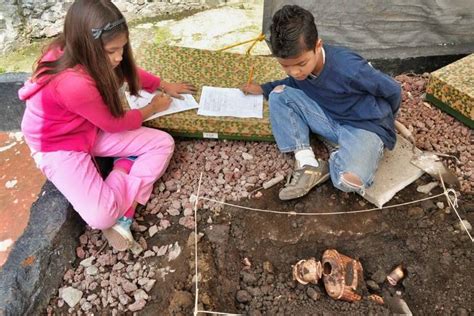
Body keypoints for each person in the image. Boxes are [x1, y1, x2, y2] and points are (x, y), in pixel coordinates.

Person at [18, 0, 196, 251]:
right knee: (101, 217)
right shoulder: (73, 84)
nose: (119, 56)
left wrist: (163, 84)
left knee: (162, 143)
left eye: (122, 47)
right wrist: (153, 108)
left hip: (86, 128)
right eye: (112, 51)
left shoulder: (74, 48)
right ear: (87, 47)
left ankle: (121, 174)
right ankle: (123, 177)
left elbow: (124, 70)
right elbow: (114, 124)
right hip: (57, 146)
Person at [242, 5, 401, 201]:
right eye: (285, 66)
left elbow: (393, 90)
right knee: (279, 95)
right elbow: (291, 82)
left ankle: (340, 155)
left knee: (349, 181)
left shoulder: (349, 68)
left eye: (301, 64)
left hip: (364, 126)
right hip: (328, 117)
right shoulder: (299, 71)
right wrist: (263, 89)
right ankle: (308, 163)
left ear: (318, 46)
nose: (295, 72)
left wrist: (387, 122)